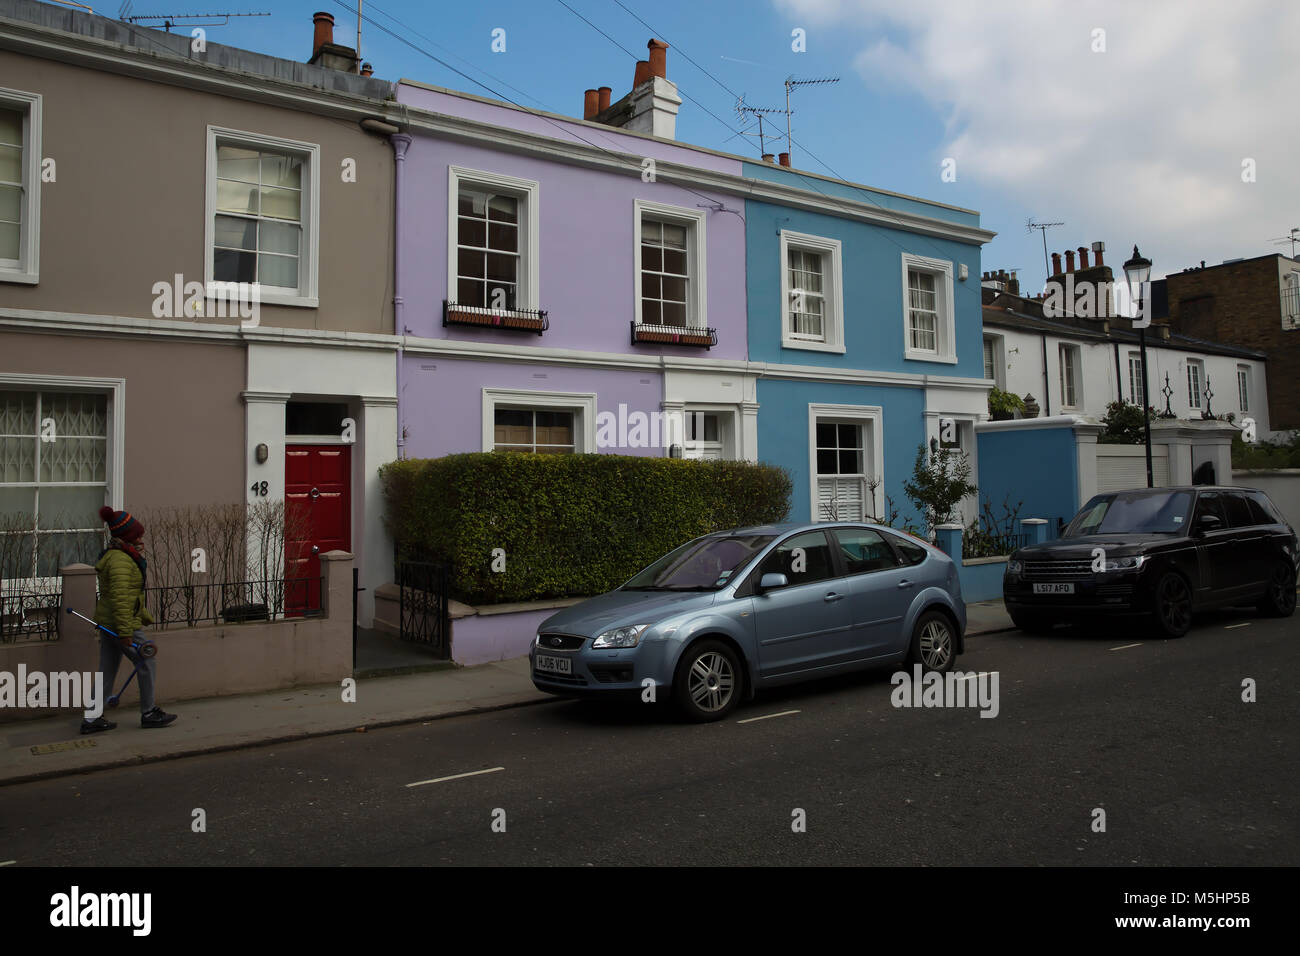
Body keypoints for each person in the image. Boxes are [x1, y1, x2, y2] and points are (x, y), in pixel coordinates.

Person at [80, 506, 177, 733]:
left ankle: (92, 718)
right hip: (121, 625)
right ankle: (149, 712)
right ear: (127, 537)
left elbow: (126, 597)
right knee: (147, 659)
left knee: (107, 669)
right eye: (137, 535)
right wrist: (125, 632)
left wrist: (142, 615)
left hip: (110, 622)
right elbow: (122, 599)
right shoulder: (121, 561)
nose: (141, 539)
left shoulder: (118, 556)